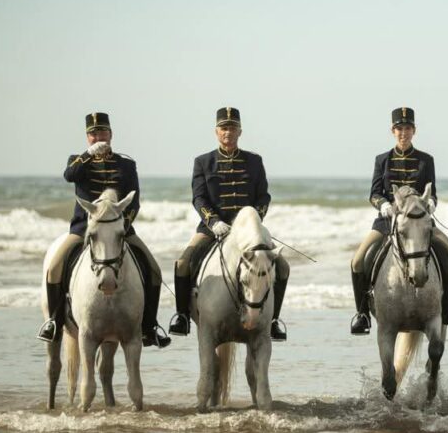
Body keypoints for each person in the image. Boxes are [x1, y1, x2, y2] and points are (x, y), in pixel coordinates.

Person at [37, 112, 170, 347]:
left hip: (120, 229)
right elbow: (69, 176)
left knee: (154, 269)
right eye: (93, 133)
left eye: (102, 132)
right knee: (54, 267)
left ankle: (149, 327)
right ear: (87, 137)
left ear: (111, 134)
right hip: (83, 230)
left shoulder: (126, 164)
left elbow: (135, 202)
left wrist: (121, 226)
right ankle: (54, 323)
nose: (98, 136)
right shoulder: (78, 161)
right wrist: (87, 155)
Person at [168, 107, 289, 341]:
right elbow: (199, 197)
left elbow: (263, 197)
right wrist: (213, 222)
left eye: (232, 128)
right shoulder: (203, 162)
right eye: (224, 128)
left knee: (282, 266)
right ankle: (182, 316)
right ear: (216, 132)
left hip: (247, 233)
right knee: (183, 263)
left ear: (240, 132)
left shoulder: (254, 161)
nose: (228, 133)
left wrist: (253, 221)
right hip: (213, 229)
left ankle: (273, 321)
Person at [349, 106, 448, 335]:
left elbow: (432, 192)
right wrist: (382, 204)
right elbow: (374, 193)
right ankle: (362, 314)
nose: (403, 132)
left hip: (420, 223)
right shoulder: (382, 160)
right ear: (392, 131)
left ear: (414, 130)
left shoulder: (426, 160)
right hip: (387, 222)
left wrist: (432, 202)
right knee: (356, 261)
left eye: (407, 128)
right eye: (399, 128)